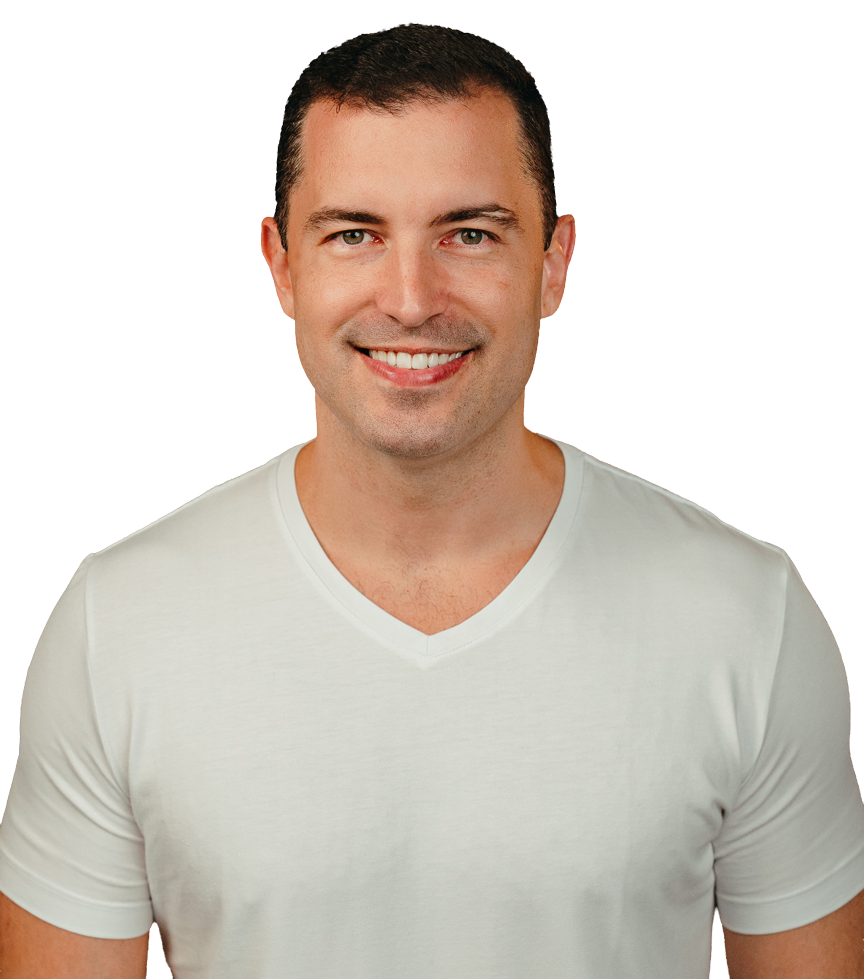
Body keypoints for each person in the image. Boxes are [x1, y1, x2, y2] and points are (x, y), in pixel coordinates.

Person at [1, 22, 862, 978]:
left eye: (470, 234)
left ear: (554, 262)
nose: (411, 300)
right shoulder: (119, 627)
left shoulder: (745, 619)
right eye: (354, 234)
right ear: (282, 265)